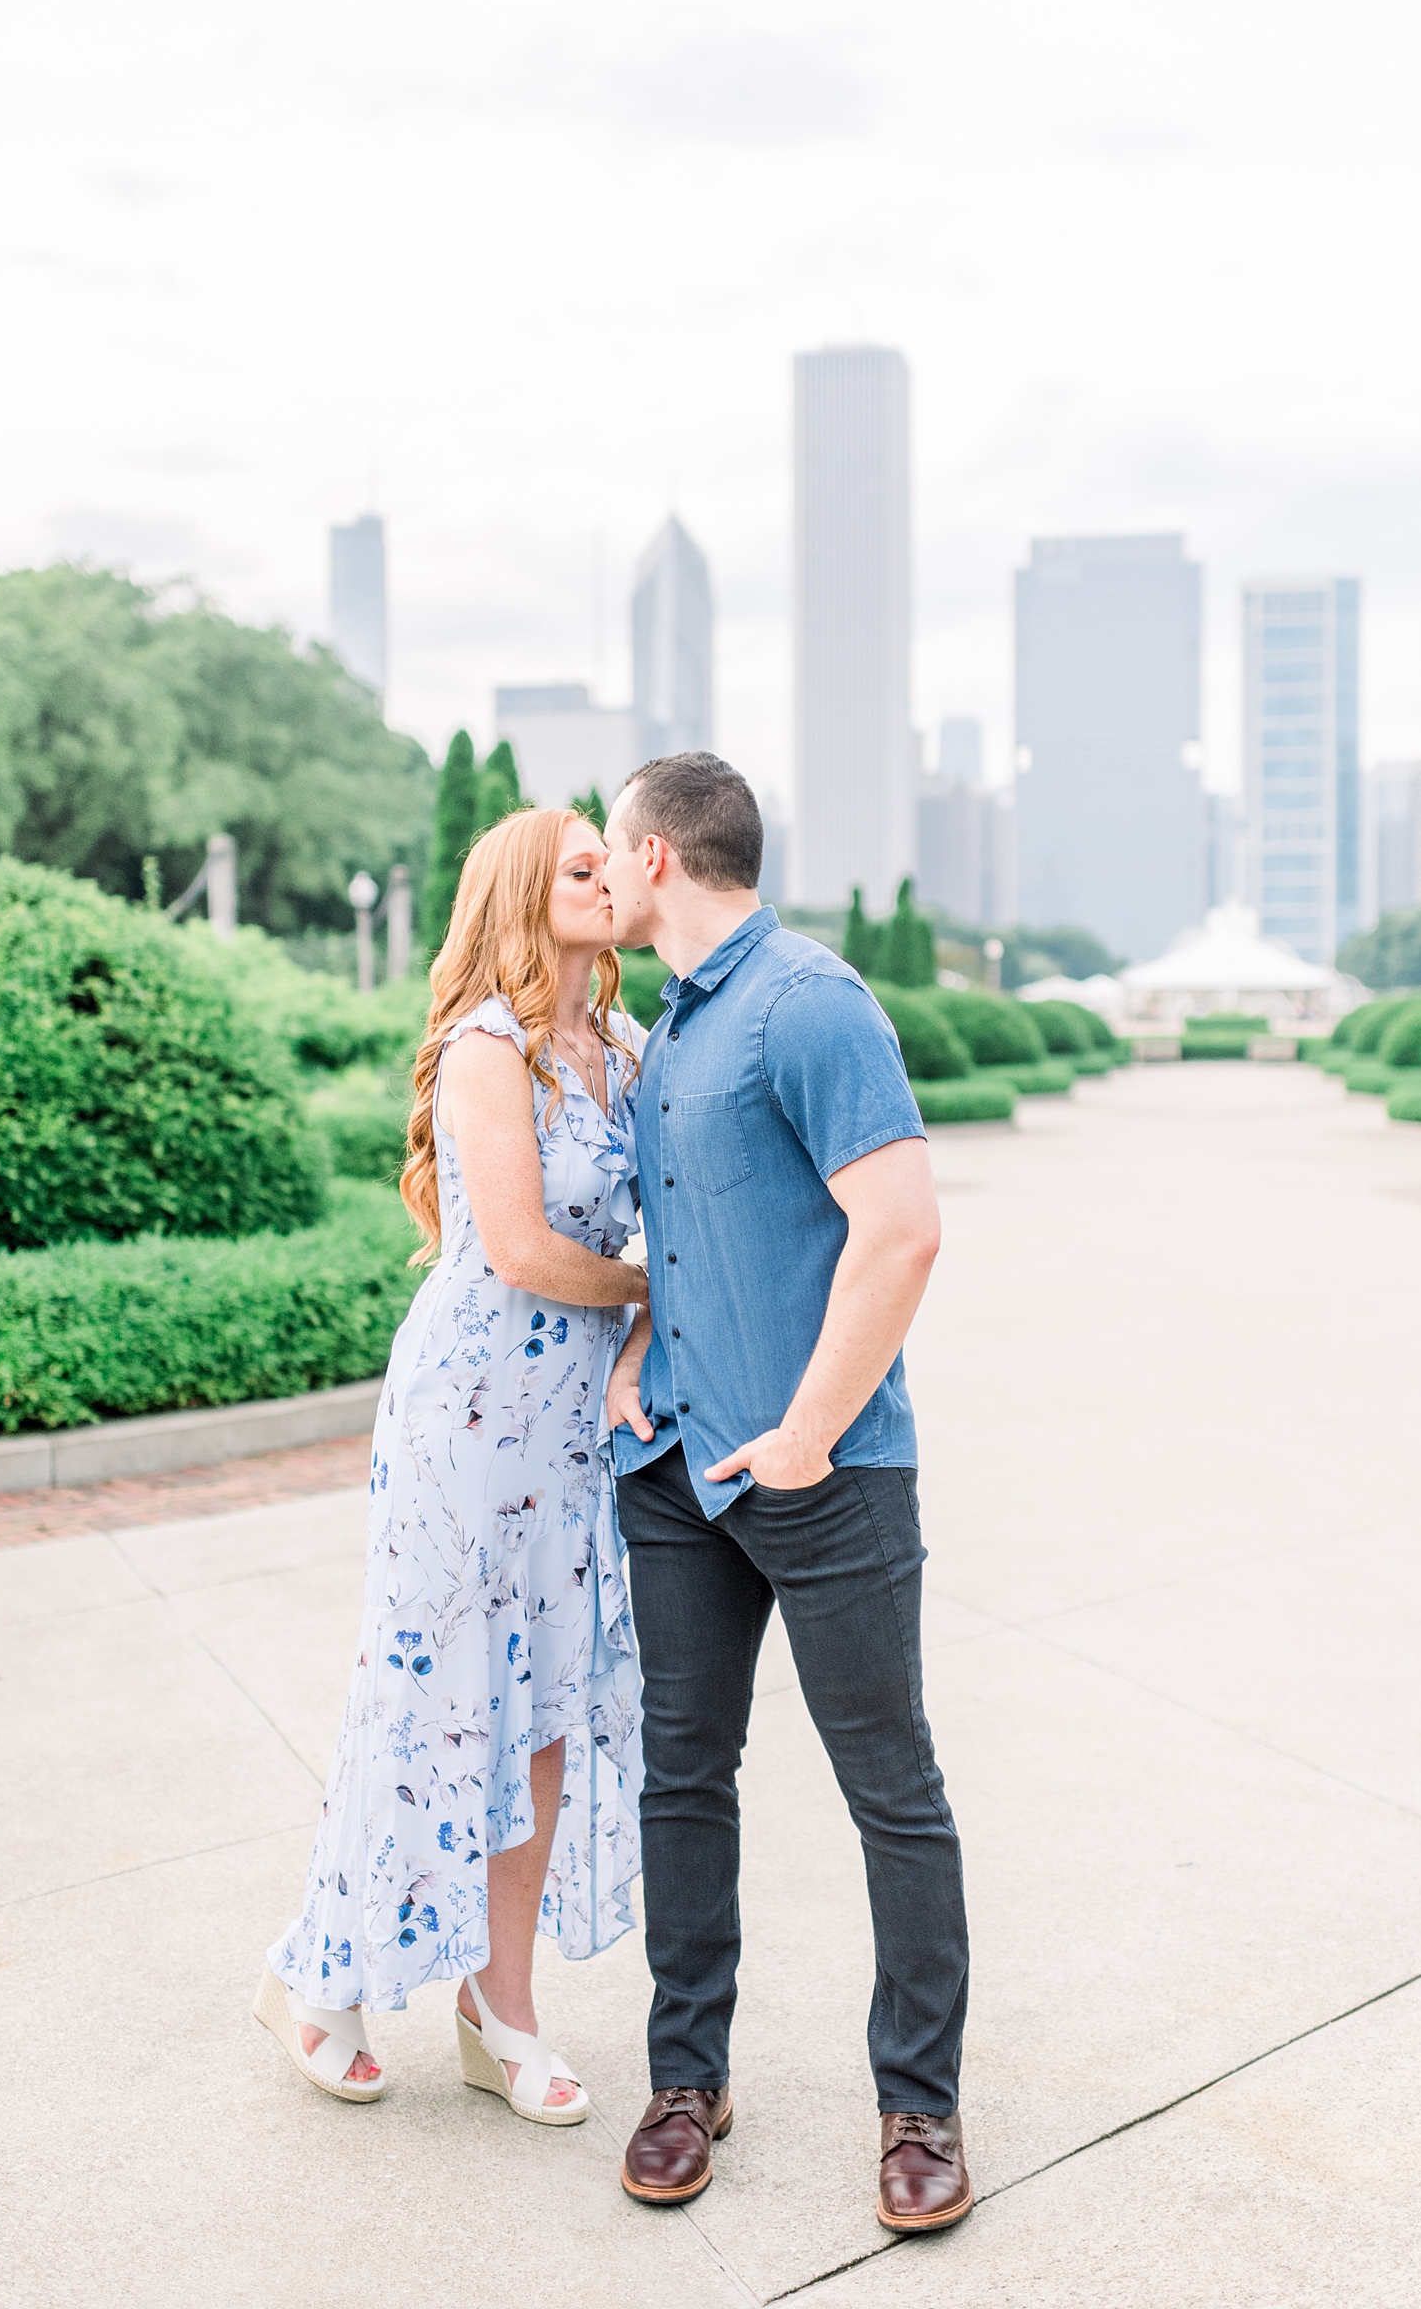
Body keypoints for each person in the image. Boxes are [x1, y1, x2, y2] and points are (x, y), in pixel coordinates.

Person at [600, 752, 973, 2233]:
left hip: (825, 1478)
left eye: (611, 852)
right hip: (678, 1476)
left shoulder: (809, 1002)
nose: (604, 875)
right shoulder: (669, 1029)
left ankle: (919, 2111)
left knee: (893, 1793)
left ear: (652, 858)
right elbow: (693, 1226)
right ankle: (685, 2079)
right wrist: (643, 1339)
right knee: (681, 1777)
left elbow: (899, 1236)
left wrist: (812, 1429)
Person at [256, 806, 650, 2124]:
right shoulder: (492, 1048)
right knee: (427, 1700)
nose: (612, 873)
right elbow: (527, 1253)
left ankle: (501, 2009)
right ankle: (317, 1976)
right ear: (527, 895)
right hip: (469, 1421)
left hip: (575, 1433)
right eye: (581, 863)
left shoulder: (626, 1049)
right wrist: (668, 1290)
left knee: (542, 1714)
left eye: (615, 857)